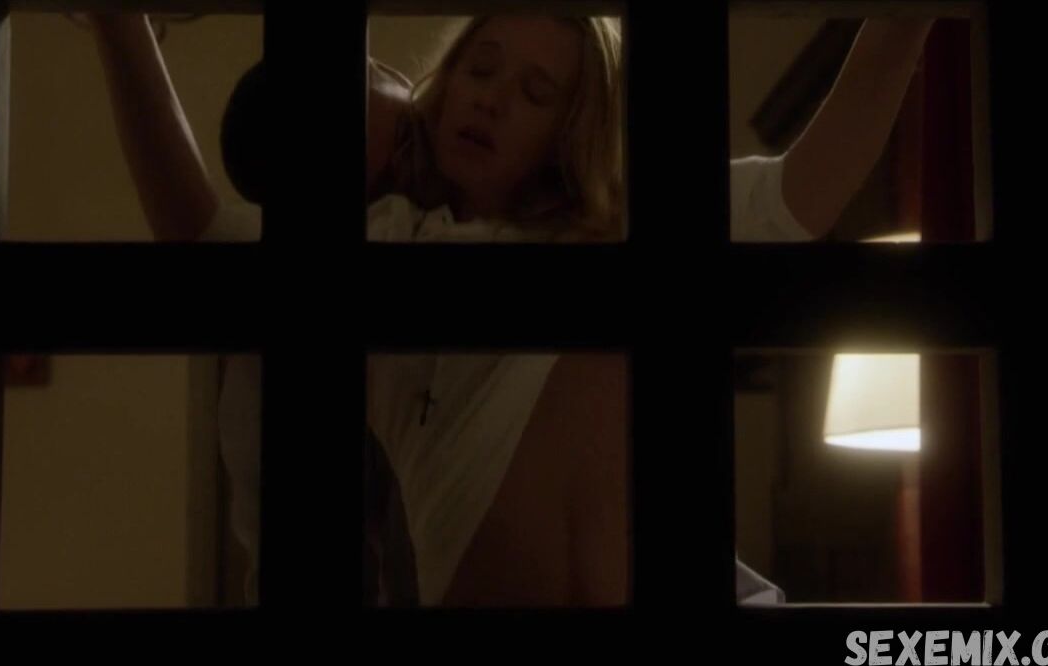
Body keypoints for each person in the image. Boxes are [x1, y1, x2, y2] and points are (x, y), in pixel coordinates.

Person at [84, 12, 934, 606]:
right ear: (445, 85)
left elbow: (803, 190)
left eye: (536, 92)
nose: (492, 99)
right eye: (481, 69)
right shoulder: (391, 240)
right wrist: (122, 30)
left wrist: (907, 22)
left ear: (572, 129)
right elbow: (201, 234)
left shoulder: (623, 220)